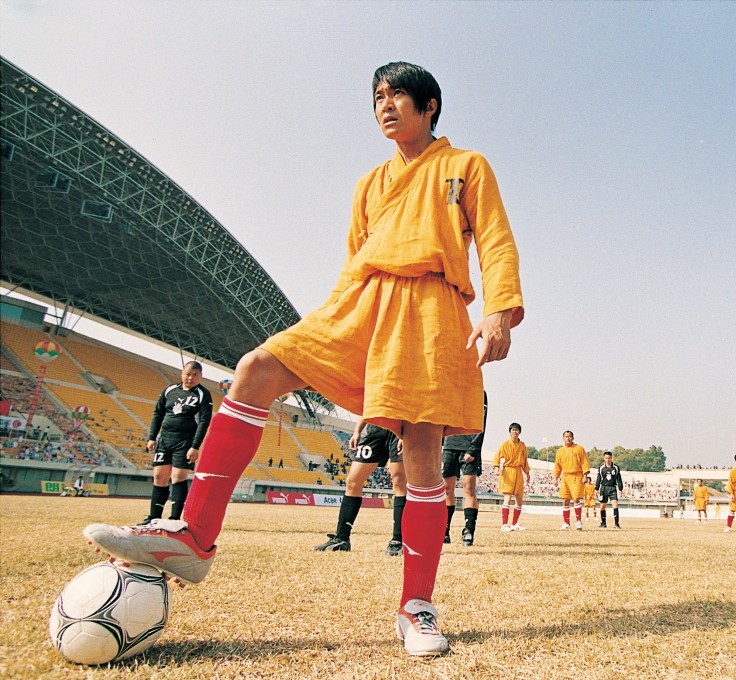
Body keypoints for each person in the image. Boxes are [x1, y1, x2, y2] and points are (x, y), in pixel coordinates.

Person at [84, 61, 524, 657]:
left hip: (432, 307)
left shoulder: (465, 166)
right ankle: (193, 534)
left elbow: (495, 237)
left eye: (398, 96)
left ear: (430, 107)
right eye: (377, 97)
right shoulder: (369, 184)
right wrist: (332, 319)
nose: (385, 105)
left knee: (421, 448)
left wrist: (498, 311)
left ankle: (416, 606)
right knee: (257, 367)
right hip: (361, 300)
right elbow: (352, 258)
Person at [314, 417, 406, 556]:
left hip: (399, 428)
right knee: (353, 481)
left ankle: (398, 541)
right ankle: (342, 538)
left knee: (399, 482)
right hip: (375, 429)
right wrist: (357, 431)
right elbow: (368, 405)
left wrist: (407, 432)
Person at [141, 362, 213, 524]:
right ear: (182, 373)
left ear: (200, 376)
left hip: (185, 441)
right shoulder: (170, 390)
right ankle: (154, 517)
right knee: (159, 477)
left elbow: (204, 421)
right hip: (165, 439)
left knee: (178, 477)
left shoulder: (202, 394)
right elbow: (158, 413)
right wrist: (152, 437)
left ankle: (174, 518)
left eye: (195, 375)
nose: (191, 378)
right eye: (188, 374)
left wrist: (195, 446)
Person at [442, 392, 486, 546]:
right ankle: (444, 530)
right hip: (449, 446)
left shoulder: (479, 393)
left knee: (469, 488)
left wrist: (473, 449)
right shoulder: (448, 389)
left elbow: (482, 423)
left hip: (468, 446)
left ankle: (468, 530)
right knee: (447, 489)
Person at [494, 422, 530, 531]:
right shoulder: (505, 444)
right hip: (508, 471)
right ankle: (504, 524)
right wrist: (496, 467)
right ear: (510, 432)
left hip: (518, 472)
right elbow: (497, 457)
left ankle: (515, 524)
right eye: (513, 430)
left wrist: (527, 473)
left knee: (519, 499)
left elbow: (525, 460)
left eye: (517, 430)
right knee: (507, 497)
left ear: (519, 432)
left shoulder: (523, 445)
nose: (515, 432)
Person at [553, 431, 589, 530]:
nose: (568, 438)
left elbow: (584, 462)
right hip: (565, 477)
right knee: (565, 500)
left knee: (576, 498)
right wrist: (556, 478)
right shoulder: (560, 451)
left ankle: (578, 521)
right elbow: (557, 466)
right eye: (566, 436)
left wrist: (585, 475)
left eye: (569, 436)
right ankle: (566, 523)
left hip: (577, 476)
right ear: (563, 438)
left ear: (573, 438)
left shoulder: (579, 449)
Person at [595, 451, 623, 528]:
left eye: (609, 458)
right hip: (603, 488)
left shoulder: (615, 468)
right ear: (604, 458)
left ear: (611, 458)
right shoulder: (601, 468)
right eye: (606, 458)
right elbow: (599, 478)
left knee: (615, 505)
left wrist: (620, 489)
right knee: (602, 506)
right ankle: (603, 523)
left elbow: (619, 479)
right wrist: (596, 489)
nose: (608, 460)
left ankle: (616, 524)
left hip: (612, 488)